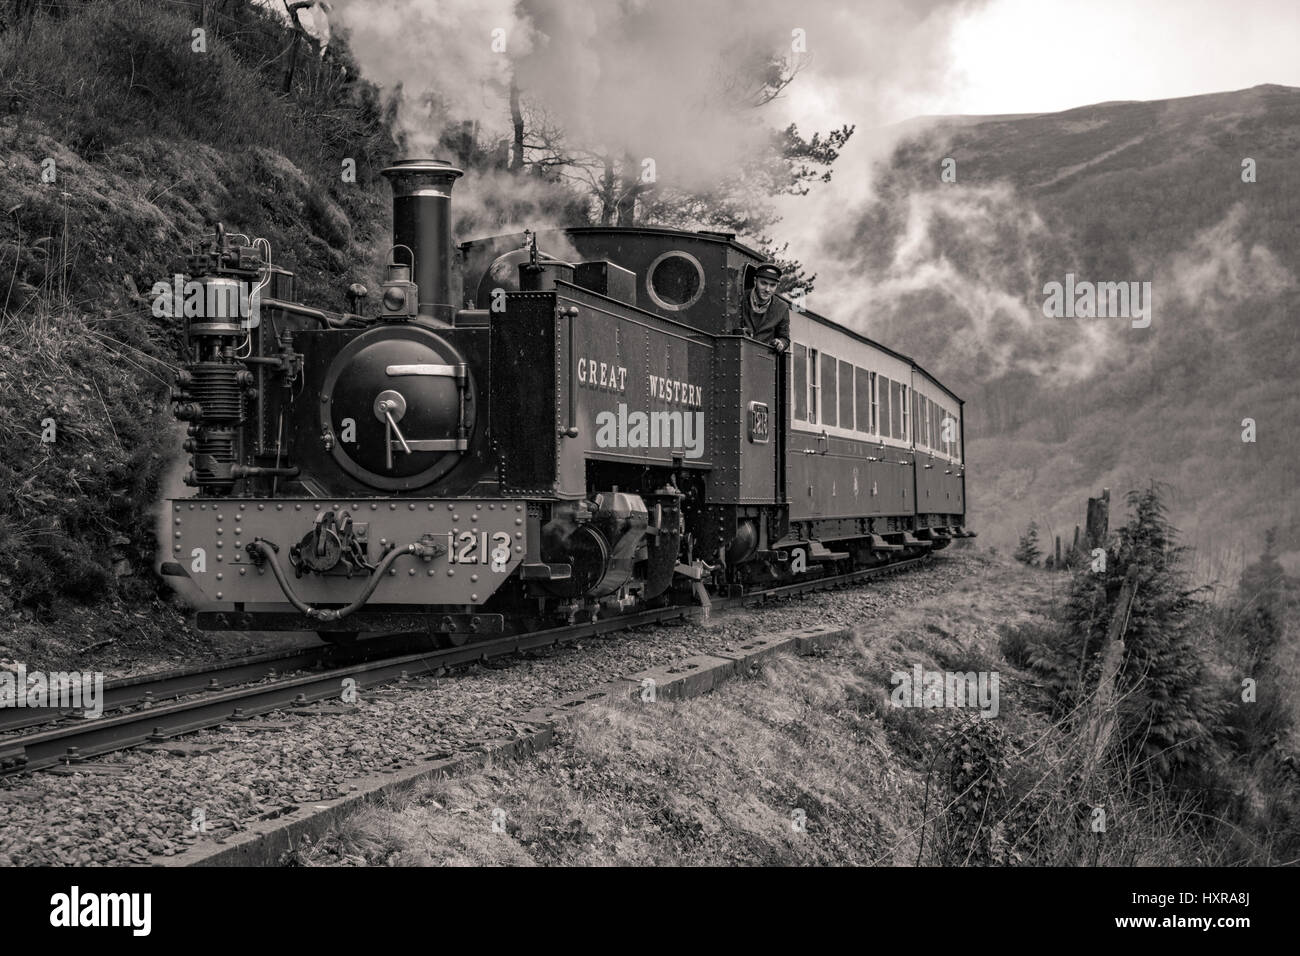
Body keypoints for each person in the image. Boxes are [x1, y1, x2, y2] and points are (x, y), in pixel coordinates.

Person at [739, 262, 789, 351]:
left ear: (777, 285)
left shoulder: (782, 307)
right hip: (740, 352)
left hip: (764, 358)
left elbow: (785, 338)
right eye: (763, 283)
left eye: (772, 285)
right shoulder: (740, 298)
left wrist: (780, 343)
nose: (767, 289)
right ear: (755, 281)